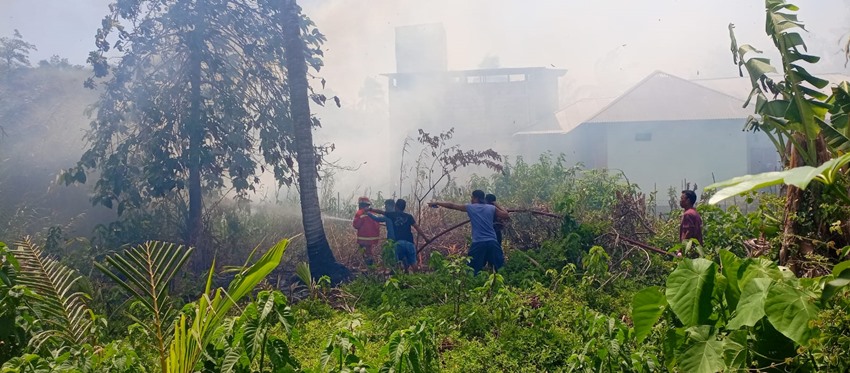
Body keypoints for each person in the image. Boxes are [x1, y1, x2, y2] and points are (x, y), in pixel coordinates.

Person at [429, 190, 510, 274]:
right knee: (499, 269)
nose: (471, 199)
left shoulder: (470, 207)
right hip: (492, 242)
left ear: (476, 198)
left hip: (478, 243)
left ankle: (474, 285)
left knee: (472, 270)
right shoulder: (491, 208)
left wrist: (437, 202)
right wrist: (495, 203)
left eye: (472, 197)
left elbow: (452, 205)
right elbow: (506, 215)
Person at [369, 199, 429, 272]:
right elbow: (417, 228)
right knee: (413, 264)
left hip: (398, 243)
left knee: (397, 263)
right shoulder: (409, 216)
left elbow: (380, 212)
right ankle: (418, 279)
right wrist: (426, 238)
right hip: (409, 243)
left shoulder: (392, 215)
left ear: (396, 206)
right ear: (404, 207)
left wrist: (370, 209)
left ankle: (399, 278)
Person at [352, 196, 380, 266]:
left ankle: (369, 266)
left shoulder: (359, 213)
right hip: (372, 238)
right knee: (369, 252)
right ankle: (371, 266)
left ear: (361, 205)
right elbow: (377, 225)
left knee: (364, 252)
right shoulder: (373, 213)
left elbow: (356, 225)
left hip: (363, 238)